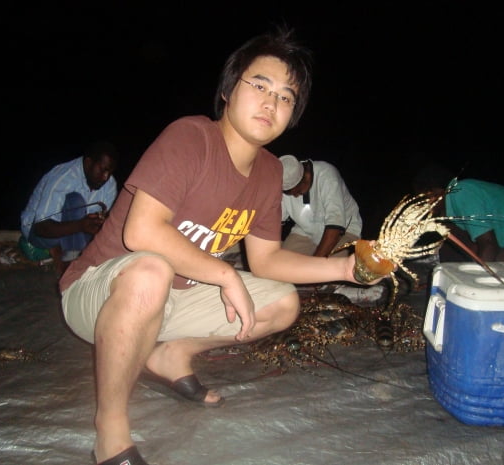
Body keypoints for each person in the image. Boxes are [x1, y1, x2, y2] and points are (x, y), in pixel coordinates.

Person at [58, 27, 389, 465]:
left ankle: (171, 353)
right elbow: (141, 232)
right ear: (229, 90)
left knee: (283, 303)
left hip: (174, 297)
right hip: (99, 292)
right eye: (260, 85)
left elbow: (267, 260)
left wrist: (348, 269)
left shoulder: (270, 172)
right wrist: (223, 272)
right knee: (150, 270)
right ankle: (110, 430)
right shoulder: (191, 138)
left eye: (287, 97)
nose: (272, 102)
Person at [412, 163, 504, 262]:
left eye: (423, 198)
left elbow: (489, 244)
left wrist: (475, 280)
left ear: (433, 193)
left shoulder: (461, 192)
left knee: (496, 262)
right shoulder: (461, 195)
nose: (423, 205)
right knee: (450, 233)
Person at [20, 140, 119, 276]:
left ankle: (65, 253)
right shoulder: (63, 177)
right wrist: (81, 225)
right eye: (102, 170)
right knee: (75, 200)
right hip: (39, 230)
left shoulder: (110, 185)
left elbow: (98, 226)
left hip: (75, 233)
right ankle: (69, 262)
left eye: (110, 171)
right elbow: (41, 227)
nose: (105, 177)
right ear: (88, 163)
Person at [280, 154, 362, 257]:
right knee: (283, 260)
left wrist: (316, 262)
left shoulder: (327, 176)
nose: (295, 195)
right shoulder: (283, 183)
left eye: (298, 191)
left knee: (329, 269)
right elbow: (274, 223)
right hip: (306, 230)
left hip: (344, 230)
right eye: (289, 193)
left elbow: (335, 224)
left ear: (306, 176)